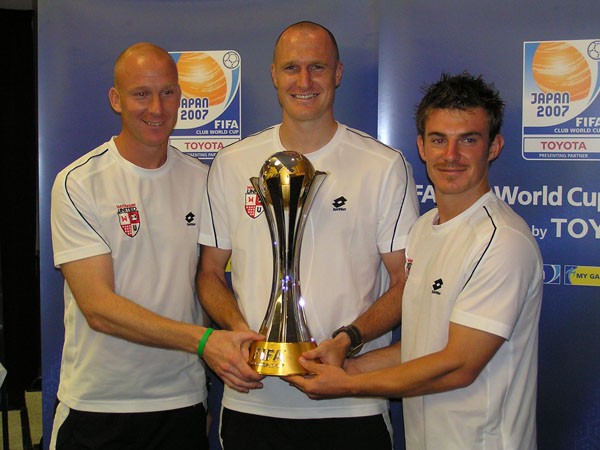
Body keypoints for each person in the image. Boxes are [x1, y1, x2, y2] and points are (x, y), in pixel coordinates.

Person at [286, 72, 544, 450]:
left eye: (468, 140)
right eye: (439, 140)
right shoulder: (424, 229)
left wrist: (349, 384)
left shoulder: (502, 240)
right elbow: (424, 348)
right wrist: (346, 363)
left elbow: (460, 364)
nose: (451, 156)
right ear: (422, 147)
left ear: (493, 147)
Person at [197, 21, 419, 450]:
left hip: (350, 401)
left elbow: (405, 280)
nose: (304, 81)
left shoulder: (383, 166)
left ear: (337, 73)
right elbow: (209, 272)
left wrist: (346, 341)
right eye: (292, 68)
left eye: (317, 67)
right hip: (254, 400)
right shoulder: (231, 163)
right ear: (273, 75)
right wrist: (244, 335)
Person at [49, 42, 263, 450]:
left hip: (181, 403)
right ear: (116, 99)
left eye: (167, 92)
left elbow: (212, 277)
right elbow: (98, 308)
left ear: (181, 96)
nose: (157, 108)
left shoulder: (202, 180)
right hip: (98, 406)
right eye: (141, 94)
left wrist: (239, 333)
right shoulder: (78, 183)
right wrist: (203, 342)